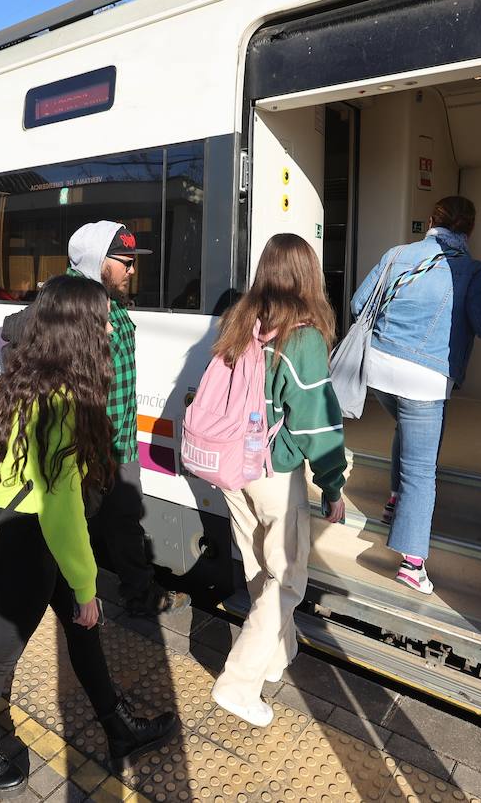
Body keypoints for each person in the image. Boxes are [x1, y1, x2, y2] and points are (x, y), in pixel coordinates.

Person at [0, 275, 179, 795]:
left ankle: (117, 726)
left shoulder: (26, 375)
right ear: (80, 328)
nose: (109, 326)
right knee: (1, 652)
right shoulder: (61, 403)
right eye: (102, 318)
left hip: (26, 535)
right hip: (30, 544)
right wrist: (85, 587)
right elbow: (62, 513)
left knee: (84, 634)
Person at [1, 221, 190, 618]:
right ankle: (72, 594)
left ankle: (138, 593)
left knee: (125, 521)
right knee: (74, 520)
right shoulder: (65, 301)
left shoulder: (114, 300)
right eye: (126, 261)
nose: (132, 270)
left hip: (119, 442)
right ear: (98, 262)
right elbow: (14, 328)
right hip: (81, 443)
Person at [206, 234, 348, 727]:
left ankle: (274, 655)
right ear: (309, 275)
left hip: (232, 469)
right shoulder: (301, 336)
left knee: (258, 564)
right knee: (286, 577)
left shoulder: (241, 321)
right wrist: (332, 483)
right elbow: (316, 424)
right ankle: (239, 683)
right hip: (271, 471)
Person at [350, 196, 481, 595]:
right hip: (425, 381)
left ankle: (394, 499)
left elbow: (360, 304)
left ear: (431, 220)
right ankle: (411, 563)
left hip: (379, 371)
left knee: (405, 431)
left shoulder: (397, 254)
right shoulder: (471, 270)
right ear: (470, 229)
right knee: (421, 471)